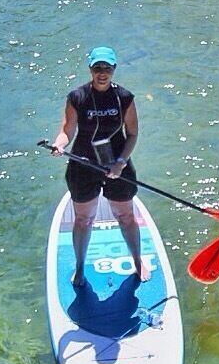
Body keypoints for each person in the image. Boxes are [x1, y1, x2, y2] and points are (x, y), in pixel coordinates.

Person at [49, 46, 149, 288]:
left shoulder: (124, 98)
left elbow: (133, 134)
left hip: (116, 163)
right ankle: (80, 266)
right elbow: (67, 130)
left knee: (125, 215)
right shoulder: (77, 97)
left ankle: (137, 261)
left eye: (107, 68)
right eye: (97, 68)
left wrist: (121, 163)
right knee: (83, 219)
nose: (102, 73)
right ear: (90, 69)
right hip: (83, 164)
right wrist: (59, 144)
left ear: (114, 69)